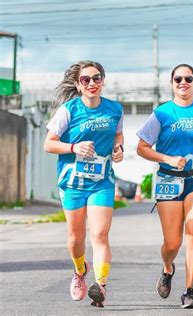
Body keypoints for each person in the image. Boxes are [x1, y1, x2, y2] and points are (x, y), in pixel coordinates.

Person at [136, 64, 193, 309]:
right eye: (178, 79)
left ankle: (189, 291)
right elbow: (141, 148)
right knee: (172, 243)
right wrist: (167, 158)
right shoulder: (162, 114)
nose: (183, 82)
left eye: (188, 78)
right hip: (168, 179)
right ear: (172, 83)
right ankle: (167, 268)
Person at [43, 61, 124, 308]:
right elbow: (48, 144)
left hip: (102, 182)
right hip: (72, 182)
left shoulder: (114, 109)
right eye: (86, 79)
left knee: (99, 234)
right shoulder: (68, 110)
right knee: (75, 239)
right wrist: (73, 147)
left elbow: (118, 135)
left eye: (96, 78)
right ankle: (80, 271)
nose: (91, 83)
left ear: (103, 80)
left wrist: (118, 148)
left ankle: (100, 286)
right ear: (78, 85)